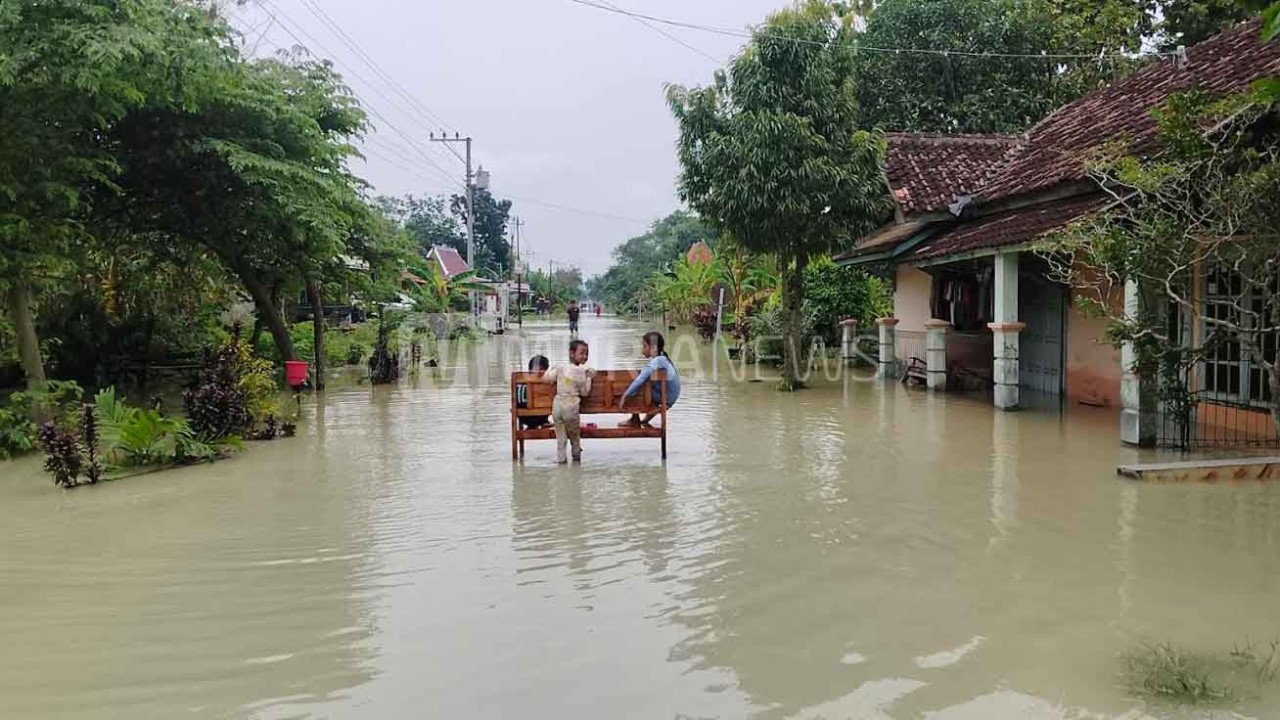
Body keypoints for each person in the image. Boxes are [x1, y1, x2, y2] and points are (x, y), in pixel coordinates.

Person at [543, 340, 594, 463]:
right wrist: (589, 378)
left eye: (586, 354)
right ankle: (576, 463)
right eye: (582, 353)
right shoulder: (582, 372)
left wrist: (552, 367)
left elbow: (546, 378)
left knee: (561, 439)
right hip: (571, 408)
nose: (585, 356)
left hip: (557, 407)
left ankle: (561, 462)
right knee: (575, 439)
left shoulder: (561, 368)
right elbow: (585, 393)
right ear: (572, 353)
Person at [618, 331, 680, 427]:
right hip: (669, 396)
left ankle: (634, 419)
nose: (643, 350)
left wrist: (625, 396)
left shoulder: (658, 361)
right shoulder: (663, 357)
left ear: (653, 348)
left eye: (644, 346)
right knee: (646, 382)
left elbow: (640, 379)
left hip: (666, 397)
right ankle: (645, 420)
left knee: (638, 383)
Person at [519, 355, 551, 430]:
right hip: (540, 416)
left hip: (523, 418)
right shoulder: (545, 384)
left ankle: (540, 423)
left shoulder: (519, 381)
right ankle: (544, 422)